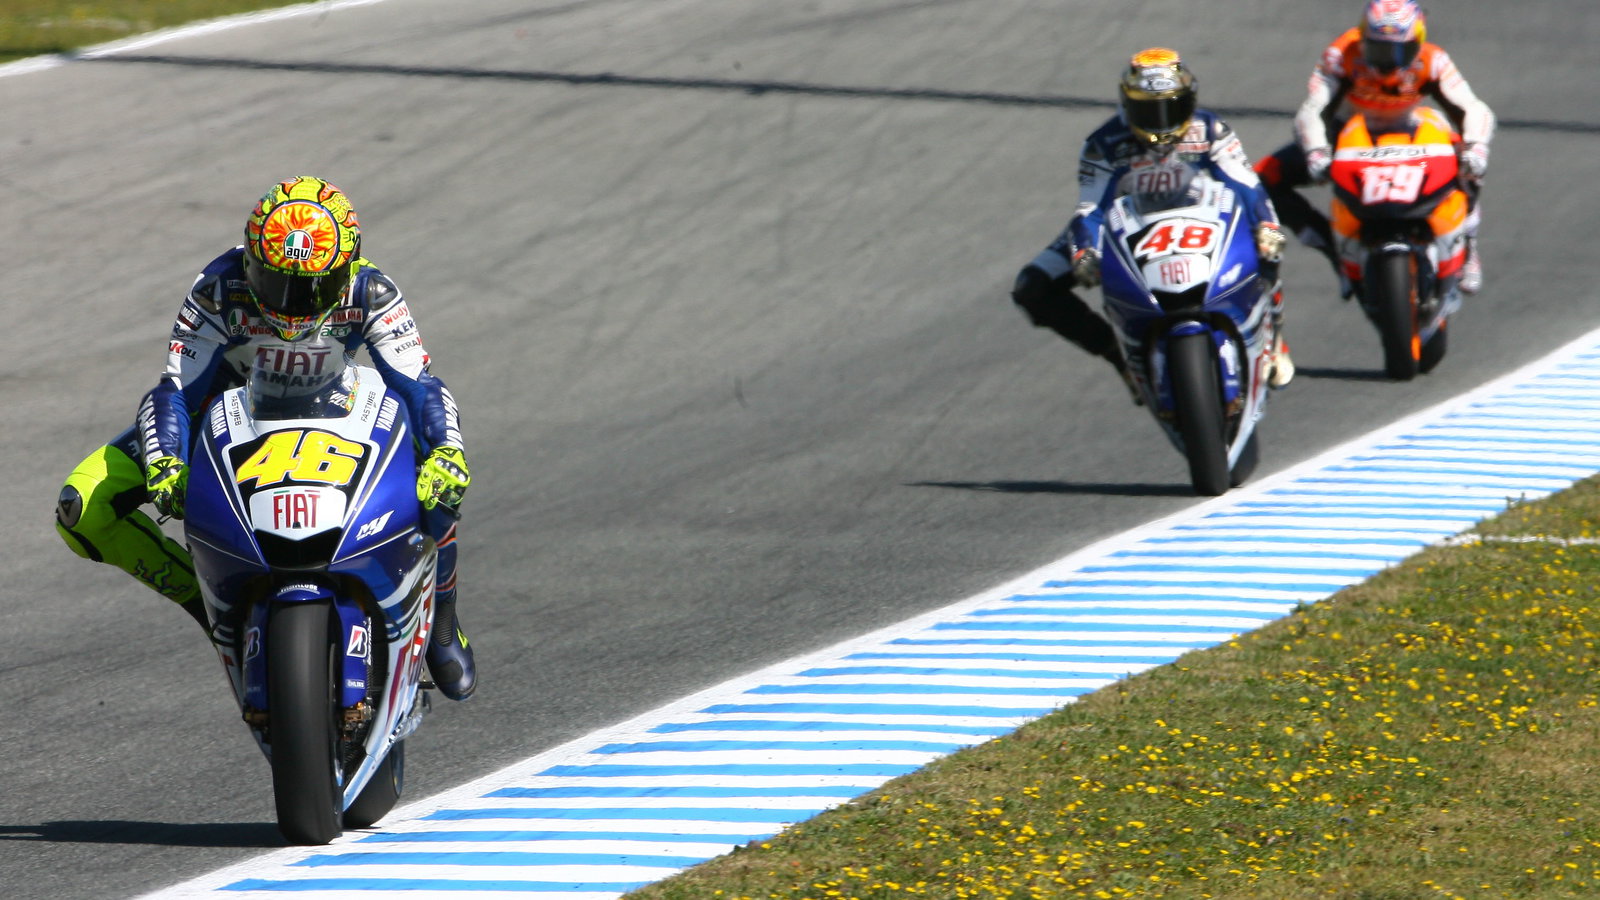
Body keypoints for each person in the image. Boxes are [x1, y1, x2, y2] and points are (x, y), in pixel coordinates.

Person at [55, 176, 478, 701]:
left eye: (313, 287)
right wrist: (165, 460)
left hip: (335, 412)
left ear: (346, 269)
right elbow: (174, 392)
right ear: (251, 260)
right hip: (225, 416)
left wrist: (447, 451)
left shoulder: (373, 292)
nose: (293, 304)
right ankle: (209, 604)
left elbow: (419, 385)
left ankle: (441, 623)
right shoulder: (216, 289)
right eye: (275, 282)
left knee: (437, 476)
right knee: (82, 507)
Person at [1012, 47, 1293, 396]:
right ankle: (1119, 356)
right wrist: (1085, 251)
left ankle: (1273, 334)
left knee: (1267, 245)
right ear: (1126, 104)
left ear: (1190, 101)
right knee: (1032, 287)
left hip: (1203, 219)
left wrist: (1266, 224)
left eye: (1171, 108)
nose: (1161, 123)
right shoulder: (1103, 144)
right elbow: (1090, 209)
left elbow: (1247, 184)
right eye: (1148, 110)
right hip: (1127, 228)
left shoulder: (1211, 129)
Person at [1255, 0, 1495, 294]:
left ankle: (1468, 245)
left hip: (1410, 127)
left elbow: (1473, 108)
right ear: (1362, 38)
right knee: (1264, 179)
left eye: (1399, 51)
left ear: (1417, 43)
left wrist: (1476, 147)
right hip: (1348, 131)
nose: (1387, 63)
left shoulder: (1434, 60)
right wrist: (1316, 150)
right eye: (1377, 49)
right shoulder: (1341, 56)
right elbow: (1313, 109)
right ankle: (1330, 248)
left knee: (1467, 163)